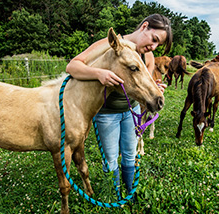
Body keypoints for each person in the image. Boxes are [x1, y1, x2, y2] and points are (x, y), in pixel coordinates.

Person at [66, 14, 173, 200]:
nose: (153, 47)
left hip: (131, 111)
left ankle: (129, 193)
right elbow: (72, 66)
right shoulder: (110, 45)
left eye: (158, 45)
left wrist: (155, 88)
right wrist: (99, 73)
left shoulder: (147, 56)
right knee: (111, 158)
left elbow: (143, 84)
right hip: (107, 113)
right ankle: (114, 194)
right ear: (144, 26)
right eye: (154, 39)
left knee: (130, 154)